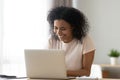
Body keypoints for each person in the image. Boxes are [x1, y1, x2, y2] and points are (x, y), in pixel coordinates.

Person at [47, 6, 95, 77]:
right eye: (56, 28)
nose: (58, 33)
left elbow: (86, 72)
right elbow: (47, 67)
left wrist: (61, 72)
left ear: (73, 27)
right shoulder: (51, 40)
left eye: (63, 29)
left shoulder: (85, 40)